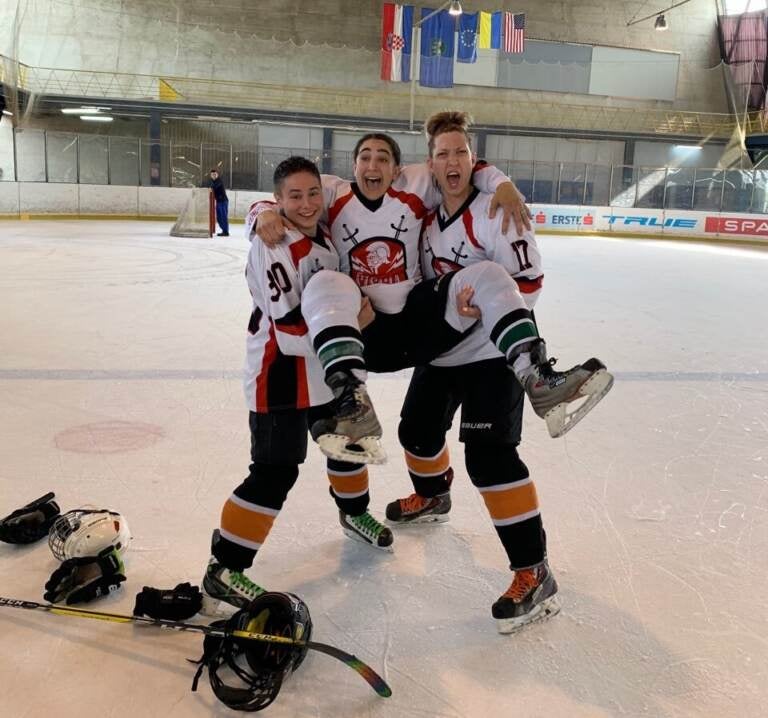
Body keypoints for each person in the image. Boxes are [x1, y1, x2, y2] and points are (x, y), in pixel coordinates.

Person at [386, 111, 613, 633]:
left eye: (460, 153)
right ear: (432, 160)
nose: (452, 162)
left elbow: (528, 287)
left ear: (473, 158)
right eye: (442, 153)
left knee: (490, 460)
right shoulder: (420, 213)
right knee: (415, 433)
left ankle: (534, 573)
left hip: (493, 353)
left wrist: (478, 307)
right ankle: (433, 493)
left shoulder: (496, 210)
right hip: (441, 352)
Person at [251, 133, 610, 438]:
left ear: (398, 169)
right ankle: (352, 406)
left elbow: (466, 165)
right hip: (365, 332)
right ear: (353, 165)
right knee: (327, 282)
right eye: (364, 158)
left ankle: (537, 378)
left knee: (488, 273)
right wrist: (261, 212)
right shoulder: (329, 191)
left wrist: (501, 183)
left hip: (415, 326)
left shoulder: (418, 184)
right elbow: (285, 196)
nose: (373, 166)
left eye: (383, 159)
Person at [201, 156, 392, 616]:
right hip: (279, 373)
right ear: (279, 199)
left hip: (322, 371)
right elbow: (286, 333)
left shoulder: (324, 234)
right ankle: (225, 567)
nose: (306, 204)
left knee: (348, 441)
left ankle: (353, 514)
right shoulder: (274, 244)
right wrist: (355, 330)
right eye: (294, 196)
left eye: (312, 194)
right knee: (275, 471)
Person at [208, 168, 229, 236]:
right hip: (219, 201)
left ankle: (225, 231)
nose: (213, 176)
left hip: (223, 201)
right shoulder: (213, 182)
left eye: (215, 174)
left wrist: (211, 188)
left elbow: (215, 187)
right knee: (219, 217)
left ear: (217, 175)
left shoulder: (219, 181)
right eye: (212, 175)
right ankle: (224, 230)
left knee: (223, 216)